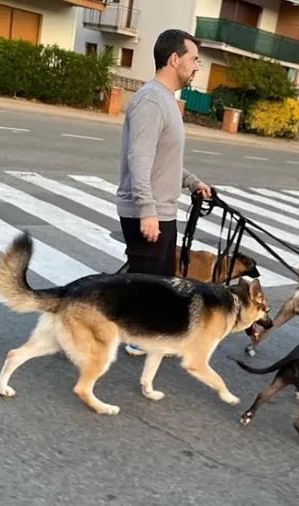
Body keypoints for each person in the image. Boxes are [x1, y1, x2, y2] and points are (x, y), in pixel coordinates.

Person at [116, 29, 212, 357]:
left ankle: (144, 335)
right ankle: (131, 336)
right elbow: (139, 160)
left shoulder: (167, 100)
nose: (197, 66)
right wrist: (147, 210)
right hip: (150, 212)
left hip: (163, 210)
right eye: (193, 59)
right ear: (174, 59)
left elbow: (164, 159)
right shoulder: (150, 100)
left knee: (158, 283)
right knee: (145, 285)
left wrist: (192, 182)